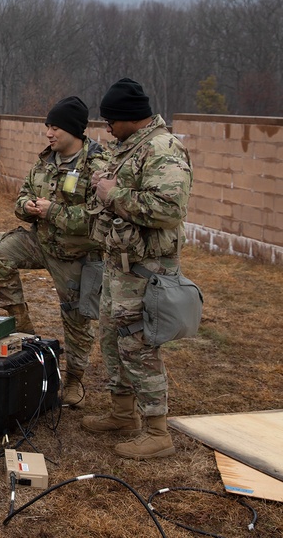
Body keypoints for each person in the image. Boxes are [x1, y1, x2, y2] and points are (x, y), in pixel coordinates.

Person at [81, 78, 193, 459]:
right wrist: (104, 185)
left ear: (130, 118)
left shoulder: (163, 148)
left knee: (139, 344)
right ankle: (123, 414)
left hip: (147, 268)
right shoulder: (130, 147)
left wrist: (114, 193)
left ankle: (158, 431)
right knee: (113, 339)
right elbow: (121, 190)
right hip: (119, 265)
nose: (106, 126)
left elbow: (169, 207)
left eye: (111, 119)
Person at [0, 96, 109, 406]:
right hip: (42, 243)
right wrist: (26, 206)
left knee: (76, 319)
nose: (49, 134)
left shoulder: (97, 165)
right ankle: (25, 333)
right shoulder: (45, 161)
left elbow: (100, 218)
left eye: (55, 128)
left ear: (74, 130)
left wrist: (53, 212)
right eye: (47, 127)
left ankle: (74, 380)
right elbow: (21, 197)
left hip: (77, 255)